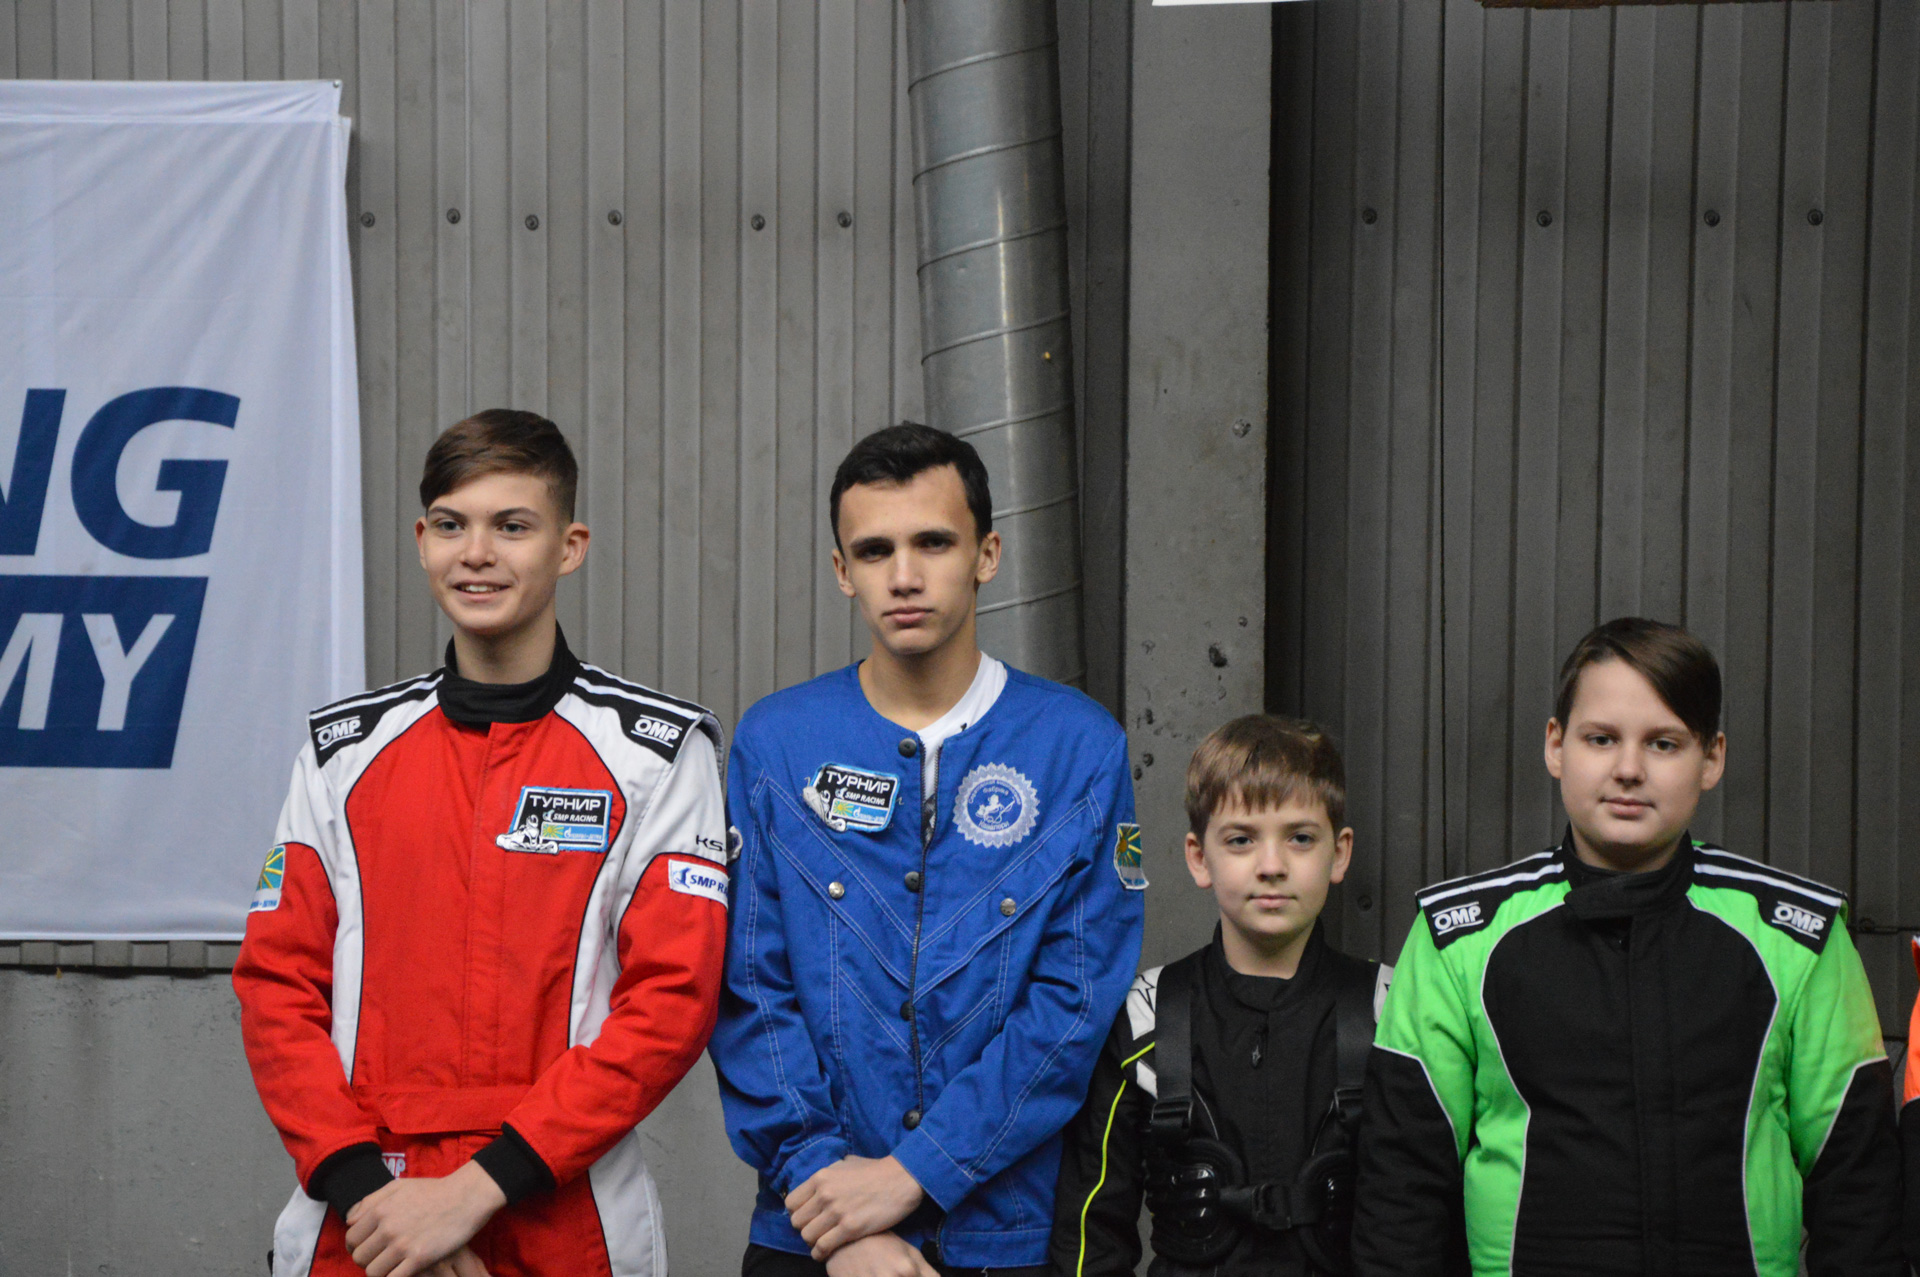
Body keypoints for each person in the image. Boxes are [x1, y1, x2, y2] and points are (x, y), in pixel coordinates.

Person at [233, 410, 729, 1277]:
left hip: (564, 1215)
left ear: (569, 546)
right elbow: (277, 984)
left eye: (512, 526)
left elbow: (669, 1001)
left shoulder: (655, 755)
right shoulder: (342, 754)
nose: (477, 553)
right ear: (421, 541)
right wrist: (378, 1203)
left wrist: (473, 1191)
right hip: (362, 1216)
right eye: (452, 525)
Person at [711, 423, 1145, 1277]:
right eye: (874, 550)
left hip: (1006, 1237)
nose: (903, 575)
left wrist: (915, 1171)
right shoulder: (778, 745)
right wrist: (840, 1208)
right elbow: (749, 991)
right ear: (842, 570)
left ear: (987, 554)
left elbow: (1074, 1003)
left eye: (934, 542)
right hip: (812, 1233)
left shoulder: (1078, 747)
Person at [1352, 617, 1902, 1276]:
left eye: (1664, 743)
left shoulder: (1799, 937)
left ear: (1712, 757)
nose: (1629, 769)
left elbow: (1859, 1186)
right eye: (1601, 738)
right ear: (1556, 746)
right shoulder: (1458, 938)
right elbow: (1401, 1190)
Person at [1049, 715, 1388, 1277]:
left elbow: (1421, 1217)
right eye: (1241, 840)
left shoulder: (1390, 1010)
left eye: (1301, 838)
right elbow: (1089, 1232)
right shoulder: (1142, 1017)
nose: (1272, 866)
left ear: (1340, 852)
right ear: (1199, 857)